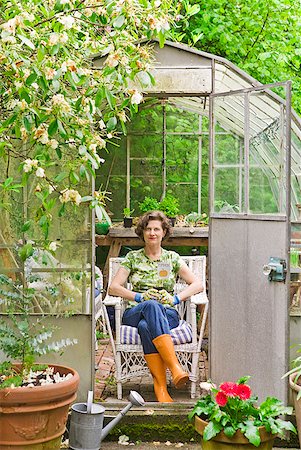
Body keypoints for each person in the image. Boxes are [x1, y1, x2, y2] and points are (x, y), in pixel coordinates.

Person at [108, 211, 204, 402]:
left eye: (156, 229)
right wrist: (138, 296)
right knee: (150, 305)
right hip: (135, 311)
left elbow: (198, 284)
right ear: (142, 232)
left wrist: (176, 299)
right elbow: (113, 287)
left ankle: (160, 388)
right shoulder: (132, 258)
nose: (152, 233)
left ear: (163, 232)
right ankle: (175, 368)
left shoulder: (172, 258)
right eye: (148, 229)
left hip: (167, 312)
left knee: (146, 326)